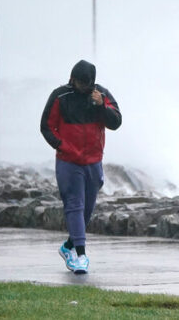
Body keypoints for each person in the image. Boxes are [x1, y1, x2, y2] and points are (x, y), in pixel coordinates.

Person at [40, 59, 122, 274]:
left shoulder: (101, 95)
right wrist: (61, 146)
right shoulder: (60, 96)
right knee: (75, 205)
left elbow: (116, 122)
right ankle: (81, 255)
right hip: (68, 162)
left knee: (87, 209)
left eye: (83, 83)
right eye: (75, 81)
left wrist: (102, 105)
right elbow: (47, 126)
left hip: (93, 161)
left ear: (91, 82)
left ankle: (68, 247)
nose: (78, 86)